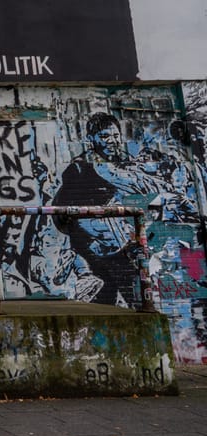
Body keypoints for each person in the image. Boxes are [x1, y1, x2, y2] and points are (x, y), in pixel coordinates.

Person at [52, 113, 165, 308]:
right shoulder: (80, 168)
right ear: (91, 139)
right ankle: (76, 264)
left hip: (123, 243)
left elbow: (148, 201)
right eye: (104, 136)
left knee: (123, 298)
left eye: (115, 135)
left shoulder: (127, 164)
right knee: (118, 298)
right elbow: (68, 213)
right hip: (97, 246)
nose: (112, 141)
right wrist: (93, 240)